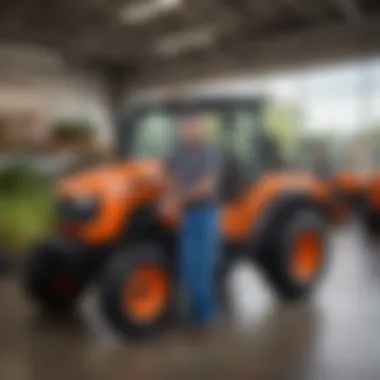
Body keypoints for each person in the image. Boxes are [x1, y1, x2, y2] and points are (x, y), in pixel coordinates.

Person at [160, 114, 221, 333]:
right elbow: (169, 176)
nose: (185, 132)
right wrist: (166, 199)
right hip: (185, 214)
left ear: (198, 129)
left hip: (204, 214)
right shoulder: (178, 152)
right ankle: (195, 312)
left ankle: (205, 317)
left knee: (201, 267)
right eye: (182, 128)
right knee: (187, 265)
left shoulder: (208, 151)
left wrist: (177, 199)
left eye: (189, 127)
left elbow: (208, 186)